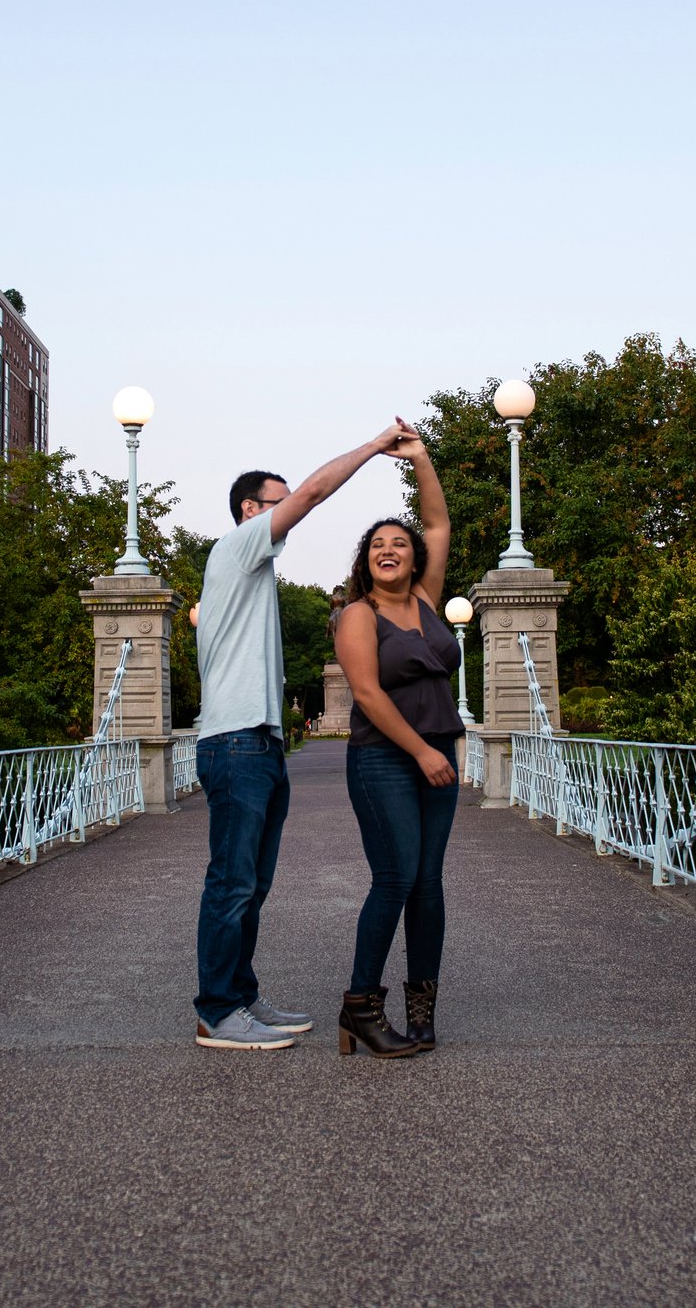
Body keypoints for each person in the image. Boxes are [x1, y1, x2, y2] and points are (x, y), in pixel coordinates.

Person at [193, 422, 412, 1052]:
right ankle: (216, 1012)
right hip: (234, 742)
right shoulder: (235, 548)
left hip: (258, 743)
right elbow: (314, 492)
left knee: (252, 885)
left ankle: (239, 997)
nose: (290, 515)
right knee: (231, 882)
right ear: (250, 510)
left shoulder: (254, 571)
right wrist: (373, 448)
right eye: (277, 503)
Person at [332, 425, 462, 1059]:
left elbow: (437, 524)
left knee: (429, 883)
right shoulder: (359, 615)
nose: (391, 550)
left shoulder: (429, 604)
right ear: (367, 560)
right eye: (378, 545)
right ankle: (360, 1005)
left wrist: (421, 459)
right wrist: (423, 751)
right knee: (395, 877)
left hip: (440, 756)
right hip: (388, 759)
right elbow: (369, 696)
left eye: (400, 544)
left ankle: (422, 1008)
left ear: (413, 558)